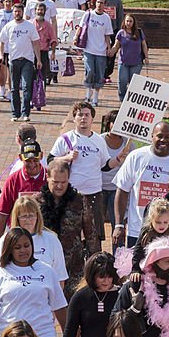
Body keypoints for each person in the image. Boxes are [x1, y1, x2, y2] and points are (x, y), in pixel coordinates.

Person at [0, 227, 67, 337]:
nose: (23, 250)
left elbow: (59, 307)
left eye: (26, 245)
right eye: (17, 247)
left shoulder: (47, 271)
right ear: (9, 249)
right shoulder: (0, 274)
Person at [50, 100, 129, 244]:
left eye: (87, 115)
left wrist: (118, 159)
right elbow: (50, 161)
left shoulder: (99, 140)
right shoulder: (66, 139)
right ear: (74, 118)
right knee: (70, 234)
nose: (83, 118)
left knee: (93, 236)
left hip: (94, 194)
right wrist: (66, 158)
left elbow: (105, 165)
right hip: (71, 194)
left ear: (92, 118)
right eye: (80, 115)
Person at [112, 121, 169, 249]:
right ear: (152, 136)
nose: (163, 140)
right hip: (137, 230)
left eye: (167, 137)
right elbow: (122, 190)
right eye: (159, 136)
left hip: (167, 232)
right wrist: (119, 225)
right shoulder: (136, 157)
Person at [59, 252, 122, 337]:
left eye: (110, 276)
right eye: (101, 277)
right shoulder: (80, 297)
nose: (106, 281)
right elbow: (70, 331)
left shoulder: (121, 295)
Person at [39, 159, 97, 297]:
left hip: (73, 267)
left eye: (63, 182)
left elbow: (91, 235)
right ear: (47, 178)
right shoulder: (36, 202)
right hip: (44, 265)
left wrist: (95, 264)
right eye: (55, 182)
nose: (59, 186)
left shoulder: (79, 201)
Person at [0, 196, 67, 285]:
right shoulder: (6, 239)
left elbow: (60, 277)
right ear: (17, 217)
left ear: (37, 216)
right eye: (23, 216)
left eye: (31, 215)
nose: (28, 220)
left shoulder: (51, 239)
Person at [0, 0, 41, 123]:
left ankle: (25, 113)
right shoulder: (9, 26)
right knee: (14, 88)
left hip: (27, 60)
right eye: (15, 11)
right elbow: (1, 42)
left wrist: (38, 59)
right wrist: (1, 55)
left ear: (22, 12)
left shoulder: (29, 26)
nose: (17, 13)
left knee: (27, 87)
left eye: (19, 11)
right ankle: (15, 113)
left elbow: (36, 43)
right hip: (13, 60)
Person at [0, 141, 47, 241]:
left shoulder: (50, 178)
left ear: (41, 156)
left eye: (35, 160)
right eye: (28, 160)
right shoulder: (13, 180)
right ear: (20, 158)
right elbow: (2, 214)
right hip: (18, 238)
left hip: (43, 236)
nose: (32, 164)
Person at [73, 0, 114, 106]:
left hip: (101, 51)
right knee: (90, 71)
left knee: (99, 74)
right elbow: (81, 28)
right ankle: (88, 93)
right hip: (89, 49)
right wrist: (76, 37)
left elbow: (107, 35)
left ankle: (95, 97)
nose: (99, 5)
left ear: (105, 5)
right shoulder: (88, 15)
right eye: (98, 2)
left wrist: (109, 48)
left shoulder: (106, 18)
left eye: (102, 3)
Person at [100, 109, 129, 234]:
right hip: (99, 188)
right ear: (108, 123)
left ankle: (119, 252)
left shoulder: (128, 143)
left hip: (117, 190)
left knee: (118, 226)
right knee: (96, 226)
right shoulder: (99, 140)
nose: (116, 126)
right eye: (113, 122)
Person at [109, 13, 148, 101]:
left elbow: (144, 45)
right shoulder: (121, 33)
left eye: (130, 21)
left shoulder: (139, 32)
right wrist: (111, 52)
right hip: (123, 62)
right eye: (127, 21)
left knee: (133, 83)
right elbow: (116, 45)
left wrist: (146, 57)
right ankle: (122, 98)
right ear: (124, 22)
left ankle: (130, 100)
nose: (128, 23)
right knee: (122, 80)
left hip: (136, 62)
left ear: (134, 22)